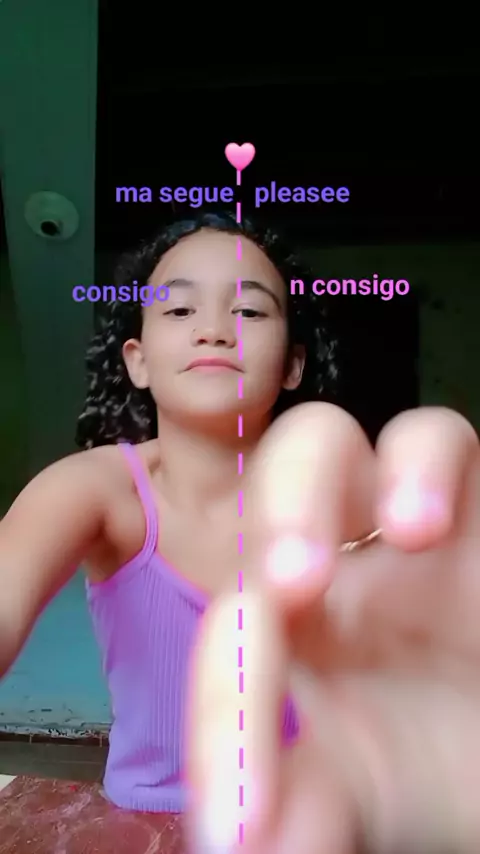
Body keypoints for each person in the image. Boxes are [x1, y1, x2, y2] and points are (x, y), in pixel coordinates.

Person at [0, 211, 335, 813]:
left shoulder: (342, 496)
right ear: (139, 360)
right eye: (179, 310)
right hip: (147, 826)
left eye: (249, 311)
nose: (213, 330)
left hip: (311, 824)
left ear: (292, 364)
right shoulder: (94, 490)